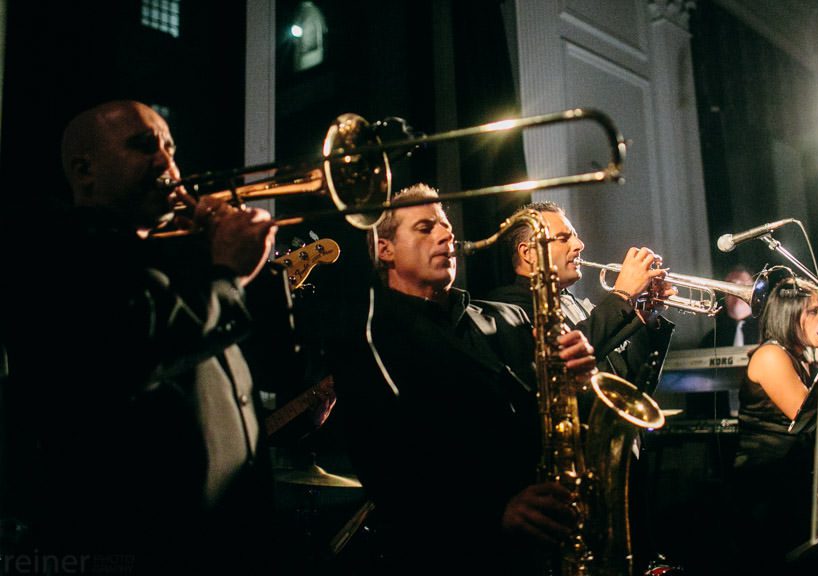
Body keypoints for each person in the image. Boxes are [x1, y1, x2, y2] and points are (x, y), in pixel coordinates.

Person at [0, 100, 278, 574]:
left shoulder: (164, 261)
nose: (167, 164)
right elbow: (132, 350)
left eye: (170, 148)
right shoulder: (55, 246)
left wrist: (211, 261)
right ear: (85, 171)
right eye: (144, 145)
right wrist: (227, 273)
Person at [326, 184, 599, 572]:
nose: (445, 234)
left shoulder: (510, 318)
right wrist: (496, 513)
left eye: (445, 226)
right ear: (384, 248)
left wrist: (578, 381)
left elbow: (561, 420)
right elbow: (390, 473)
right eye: (424, 228)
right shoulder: (372, 341)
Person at [487, 201, 675, 396]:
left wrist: (647, 317)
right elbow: (559, 362)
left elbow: (634, 389)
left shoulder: (579, 306)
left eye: (575, 237)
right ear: (529, 253)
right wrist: (622, 295)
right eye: (563, 238)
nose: (579, 245)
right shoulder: (507, 307)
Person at [731, 276, 818, 574]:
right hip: (767, 494)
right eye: (814, 311)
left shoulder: (800, 358)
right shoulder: (770, 355)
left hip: (790, 486)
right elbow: (807, 419)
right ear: (790, 315)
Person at [699, 264, 759, 348]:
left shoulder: (767, 334)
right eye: (731, 286)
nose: (738, 292)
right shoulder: (711, 339)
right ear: (724, 293)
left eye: (744, 286)